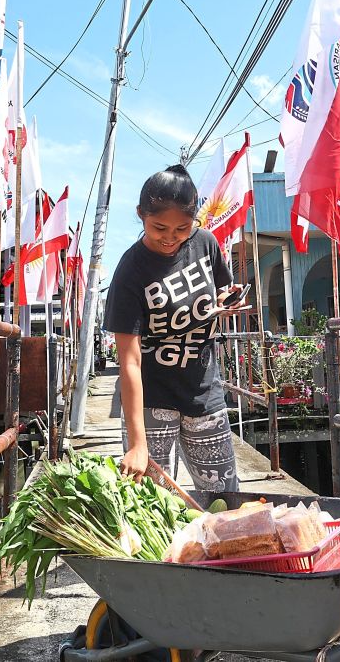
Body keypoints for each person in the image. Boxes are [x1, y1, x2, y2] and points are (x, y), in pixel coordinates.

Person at [103, 164, 248, 492]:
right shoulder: (130, 271)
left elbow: (220, 290)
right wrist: (137, 444)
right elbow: (129, 360)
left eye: (182, 228)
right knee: (153, 504)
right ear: (141, 215)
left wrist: (228, 300)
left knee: (223, 499)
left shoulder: (206, 244)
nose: (170, 238)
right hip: (152, 398)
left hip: (204, 391)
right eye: (159, 227)